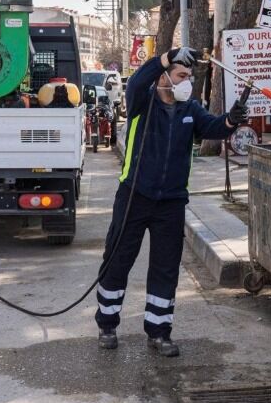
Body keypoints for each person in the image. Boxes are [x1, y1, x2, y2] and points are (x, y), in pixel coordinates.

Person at [95, 47, 248, 355]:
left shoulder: (190, 109)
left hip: (172, 203)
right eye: (180, 76)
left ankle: (159, 332)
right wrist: (166, 56)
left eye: (189, 77)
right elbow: (138, 81)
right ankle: (107, 325)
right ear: (164, 78)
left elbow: (213, 128)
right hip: (135, 196)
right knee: (118, 259)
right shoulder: (142, 102)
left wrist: (231, 120)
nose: (186, 82)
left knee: (166, 268)